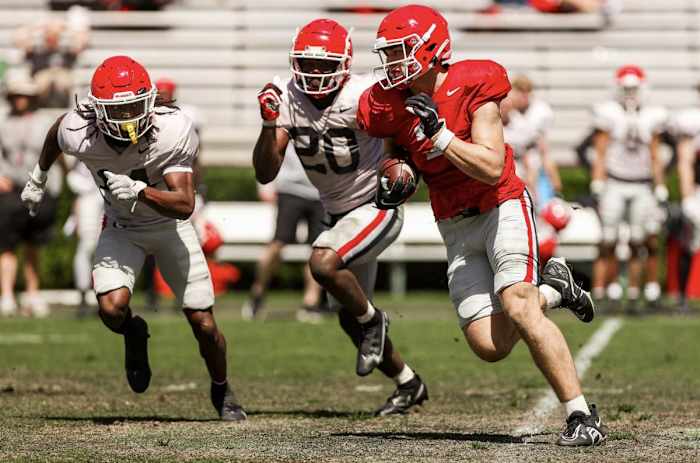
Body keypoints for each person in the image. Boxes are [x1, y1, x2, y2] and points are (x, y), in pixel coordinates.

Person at [359, 4, 605, 445]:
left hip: (501, 205)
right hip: (453, 223)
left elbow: (491, 167)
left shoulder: (472, 83)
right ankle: (557, 288)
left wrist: (442, 135)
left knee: (519, 305)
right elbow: (398, 150)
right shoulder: (388, 102)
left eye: (401, 52)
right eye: (389, 54)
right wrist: (397, 175)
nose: (393, 63)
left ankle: (580, 415)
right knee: (489, 347)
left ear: (433, 50)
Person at [20, 55, 246, 421]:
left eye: (133, 107)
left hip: (170, 229)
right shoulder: (80, 128)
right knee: (111, 309)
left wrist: (141, 191)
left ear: (150, 100)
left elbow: (185, 204)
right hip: (122, 228)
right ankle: (134, 332)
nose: (127, 117)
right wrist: (38, 178)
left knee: (203, 323)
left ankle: (222, 388)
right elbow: (55, 132)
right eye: (118, 109)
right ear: (97, 110)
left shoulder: (172, 129)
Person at [253, 18, 427, 416]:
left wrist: (403, 166)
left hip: (375, 206)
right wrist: (268, 123)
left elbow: (402, 135)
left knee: (323, 263)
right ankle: (408, 382)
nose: (315, 73)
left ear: (346, 63)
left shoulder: (364, 92)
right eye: (308, 64)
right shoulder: (286, 96)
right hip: (338, 215)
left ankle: (374, 322)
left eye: (324, 65)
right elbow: (266, 171)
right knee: (350, 317)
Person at [589, 65, 667, 312]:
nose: (631, 93)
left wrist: (661, 184)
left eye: (634, 88)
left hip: (642, 184)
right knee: (609, 239)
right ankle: (609, 291)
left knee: (638, 239)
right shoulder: (609, 113)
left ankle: (633, 292)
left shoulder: (652, 115)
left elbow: (655, 154)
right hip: (615, 181)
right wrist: (598, 180)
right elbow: (600, 151)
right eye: (626, 88)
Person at [241, 145, 326, 323]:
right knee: (278, 243)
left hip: (321, 192)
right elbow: (270, 148)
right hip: (290, 189)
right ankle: (258, 293)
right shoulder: (290, 117)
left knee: (319, 248)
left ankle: (311, 303)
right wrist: (264, 185)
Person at [0, 76, 59, 317]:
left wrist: (54, 186)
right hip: (10, 189)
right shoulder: (2, 121)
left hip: (40, 191)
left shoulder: (45, 122)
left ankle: (33, 294)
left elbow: (56, 155)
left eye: (24, 95)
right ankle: (7, 294)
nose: (20, 100)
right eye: (16, 95)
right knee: (6, 245)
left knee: (34, 244)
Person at [503, 74, 562, 205]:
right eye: (519, 92)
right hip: (507, 162)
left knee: (537, 202)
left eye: (526, 93)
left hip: (530, 162)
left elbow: (543, 150)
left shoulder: (540, 112)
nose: (522, 97)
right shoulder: (506, 111)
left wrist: (555, 181)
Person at [671, 87, 700, 312]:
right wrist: (688, 195)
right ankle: (682, 297)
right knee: (690, 245)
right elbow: (685, 160)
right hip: (698, 191)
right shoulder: (692, 121)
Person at [65, 160, 104, 317]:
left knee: (106, 250)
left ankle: (103, 295)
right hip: (88, 195)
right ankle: (83, 296)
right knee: (86, 248)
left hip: (107, 193)